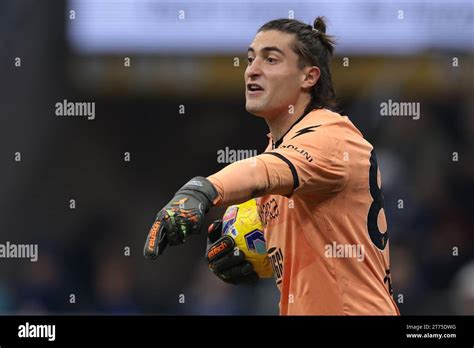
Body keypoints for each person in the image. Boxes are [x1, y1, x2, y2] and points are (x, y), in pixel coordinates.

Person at [143, 17, 399, 315]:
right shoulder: (282, 150)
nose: (253, 69)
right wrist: (252, 256)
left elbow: (260, 171)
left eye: (271, 59)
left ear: (309, 77)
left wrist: (201, 190)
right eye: (250, 59)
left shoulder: (330, 137)